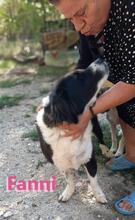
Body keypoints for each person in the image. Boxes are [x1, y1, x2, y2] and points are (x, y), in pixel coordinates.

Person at [48, 0, 135, 216]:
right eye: (70, 19)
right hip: (122, 80)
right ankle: (132, 154)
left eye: (82, 13)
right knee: (123, 106)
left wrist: (89, 111)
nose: (78, 26)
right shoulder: (87, 22)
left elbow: (133, 82)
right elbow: (84, 63)